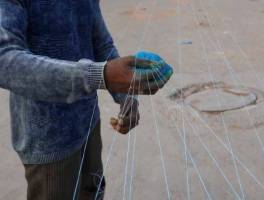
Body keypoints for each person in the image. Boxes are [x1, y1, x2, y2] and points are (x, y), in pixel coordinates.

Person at [0, 0, 170, 199]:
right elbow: (4, 61)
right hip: (47, 139)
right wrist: (99, 75)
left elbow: (100, 42)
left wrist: (125, 95)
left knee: (92, 192)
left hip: (88, 122)